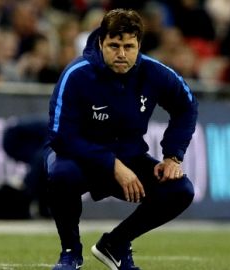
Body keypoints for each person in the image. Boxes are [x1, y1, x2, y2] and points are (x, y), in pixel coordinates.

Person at [44, 8, 198, 270]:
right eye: (114, 45)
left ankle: (115, 244)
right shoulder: (77, 74)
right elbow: (61, 136)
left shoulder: (154, 72)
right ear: (101, 42)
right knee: (61, 175)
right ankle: (70, 252)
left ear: (139, 45)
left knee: (180, 190)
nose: (122, 54)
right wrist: (112, 164)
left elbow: (187, 106)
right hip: (80, 159)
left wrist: (173, 156)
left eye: (129, 46)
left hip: (130, 157)